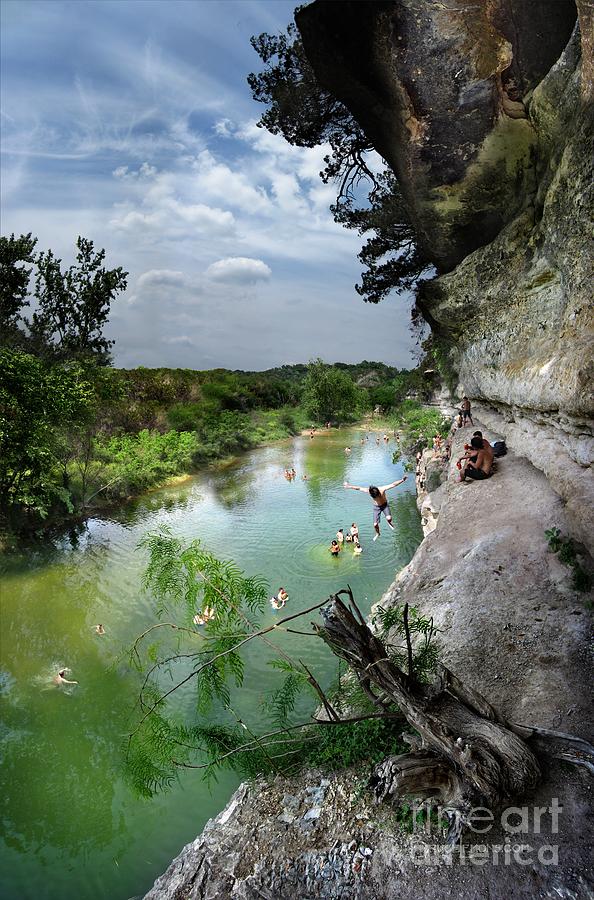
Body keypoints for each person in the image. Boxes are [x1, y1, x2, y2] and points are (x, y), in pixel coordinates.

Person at [344, 476, 408, 540]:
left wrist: (402, 480)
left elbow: (393, 484)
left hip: (384, 505)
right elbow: (358, 488)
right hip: (376, 507)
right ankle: (377, 533)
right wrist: (349, 486)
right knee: (375, 524)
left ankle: (389, 522)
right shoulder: (369, 491)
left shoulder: (382, 489)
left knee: (389, 518)